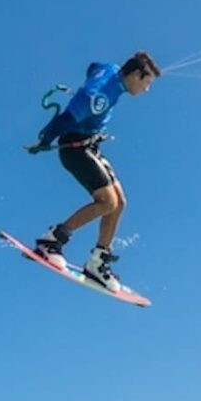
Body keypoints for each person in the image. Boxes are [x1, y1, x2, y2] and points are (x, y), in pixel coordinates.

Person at [27, 52, 161, 292]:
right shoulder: (98, 96)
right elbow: (66, 119)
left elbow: (93, 67)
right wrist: (45, 139)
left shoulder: (111, 70)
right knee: (107, 202)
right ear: (134, 74)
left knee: (120, 202)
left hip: (90, 146)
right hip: (75, 149)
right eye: (146, 82)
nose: (146, 89)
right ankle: (51, 241)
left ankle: (97, 262)